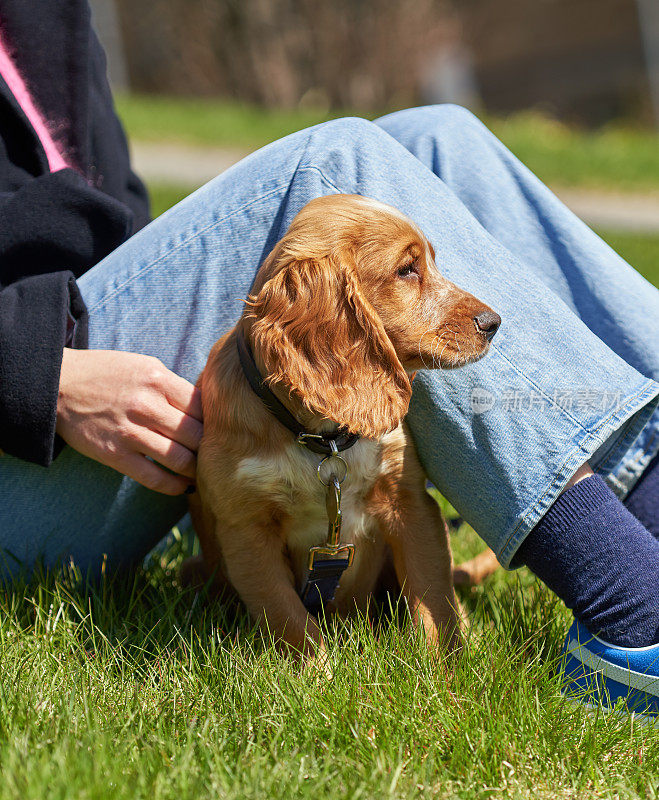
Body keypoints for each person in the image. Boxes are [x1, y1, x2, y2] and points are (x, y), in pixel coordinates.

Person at [1, 1, 657, 717]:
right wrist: (40, 370)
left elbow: (114, 219)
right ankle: (633, 603)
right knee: (336, 157)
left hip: (95, 325)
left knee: (435, 135)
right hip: (24, 428)